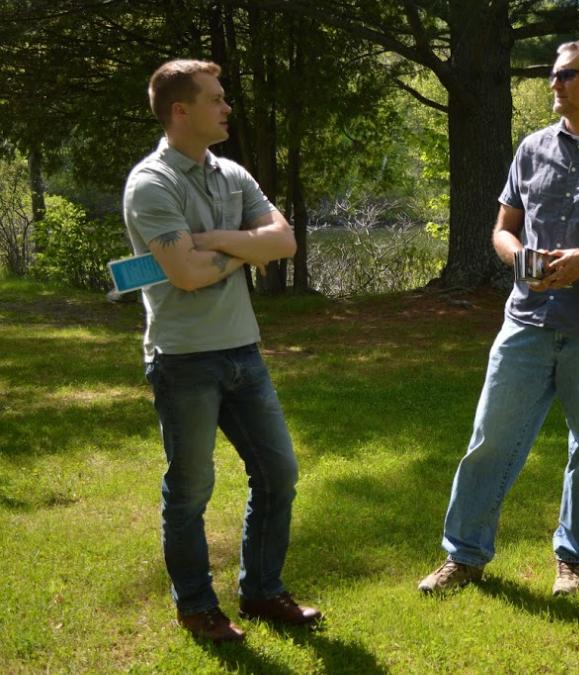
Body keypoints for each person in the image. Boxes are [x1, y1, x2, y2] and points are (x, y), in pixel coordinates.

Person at [418, 40, 579, 596]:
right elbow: (503, 230)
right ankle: (464, 556)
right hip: (526, 321)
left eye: (565, 75)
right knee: (490, 440)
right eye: (554, 75)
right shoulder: (531, 149)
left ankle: (573, 560)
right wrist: (516, 258)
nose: (554, 83)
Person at [123, 59, 321, 642]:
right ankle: (196, 606)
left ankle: (261, 592)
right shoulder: (151, 183)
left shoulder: (231, 175)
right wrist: (243, 249)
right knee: (190, 490)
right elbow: (183, 274)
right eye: (215, 99)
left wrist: (212, 242)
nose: (227, 107)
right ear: (181, 111)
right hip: (184, 359)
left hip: (244, 352)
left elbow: (283, 240)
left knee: (278, 474)